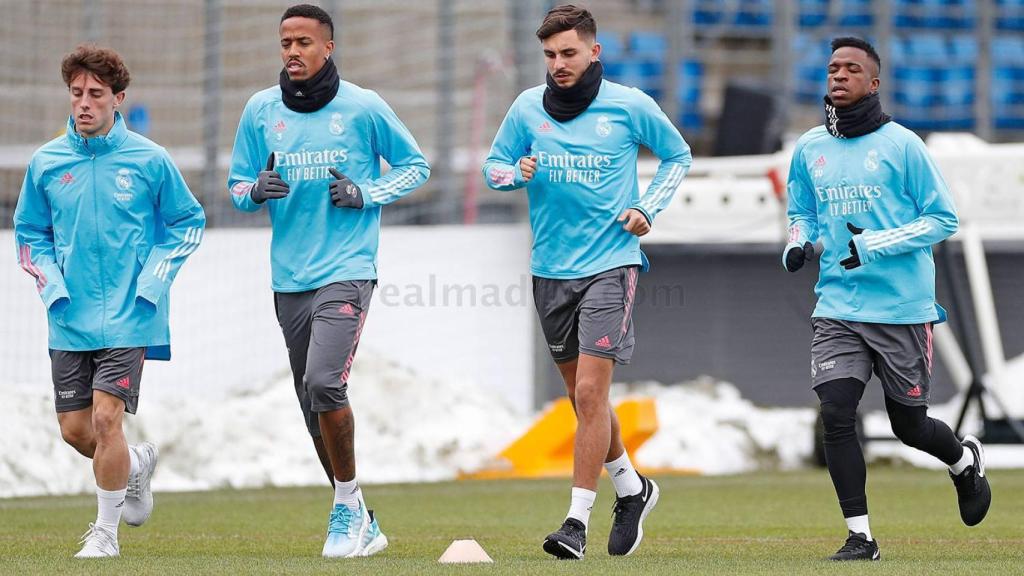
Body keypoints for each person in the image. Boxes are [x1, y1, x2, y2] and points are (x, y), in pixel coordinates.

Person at [482, 4, 691, 560]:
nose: (558, 64)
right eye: (549, 55)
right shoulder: (527, 107)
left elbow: (677, 154)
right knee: (582, 399)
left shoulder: (628, 105)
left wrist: (649, 207)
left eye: (568, 53)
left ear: (594, 52)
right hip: (550, 270)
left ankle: (575, 523)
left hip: (611, 264)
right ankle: (632, 487)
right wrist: (513, 174)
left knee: (594, 392)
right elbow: (493, 167)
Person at [227, 3, 429, 559]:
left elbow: (416, 165)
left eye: (304, 42)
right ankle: (358, 509)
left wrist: (369, 192)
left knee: (323, 382)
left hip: (347, 269)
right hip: (289, 277)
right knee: (309, 401)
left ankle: (344, 510)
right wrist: (255, 190)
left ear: (328, 47)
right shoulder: (260, 110)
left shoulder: (363, 106)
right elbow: (238, 184)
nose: (292, 51)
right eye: (285, 42)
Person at [783, 36, 991, 562]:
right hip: (836, 307)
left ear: (873, 83)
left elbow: (943, 219)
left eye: (852, 69)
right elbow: (802, 212)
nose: (839, 75)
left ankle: (963, 461)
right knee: (836, 413)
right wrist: (797, 241)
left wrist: (871, 245)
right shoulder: (810, 148)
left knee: (909, 426)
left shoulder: (903, 145)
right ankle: (861, 537)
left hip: (901, 309)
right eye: (833, 67)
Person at [14, 44, 205, 558]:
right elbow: (30, 233)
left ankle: (105, 534)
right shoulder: (46, 162)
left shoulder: (150, 159)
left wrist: (153, 281)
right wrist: (52, 286)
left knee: (105, 419)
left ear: (118, 99)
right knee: (77, 430)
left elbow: (188, 224)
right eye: (76, 93)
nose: (84, 103)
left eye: (96, 94)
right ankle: (136, 466)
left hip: (131, 314)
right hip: (69, 317)